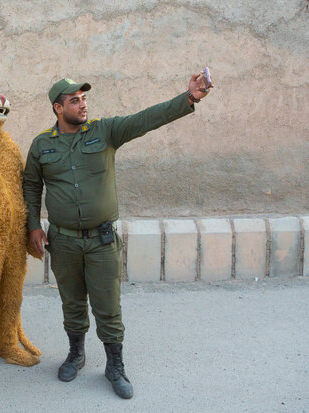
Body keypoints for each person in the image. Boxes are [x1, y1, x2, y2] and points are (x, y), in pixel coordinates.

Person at [22, 72, 212, 399]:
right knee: (72, 302)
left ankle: (115, 365)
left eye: (84, 98)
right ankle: (76, 353)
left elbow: (147, 119)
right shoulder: (41, 145)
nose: (83, 104)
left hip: (101, 240)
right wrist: (33, 226)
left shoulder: (105, 130)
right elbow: (31, 185)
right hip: (63, 241)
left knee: (108, 306)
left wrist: (189, 98)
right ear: (57, 108)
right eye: (74, 100)